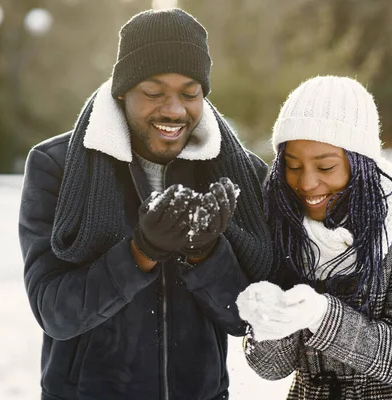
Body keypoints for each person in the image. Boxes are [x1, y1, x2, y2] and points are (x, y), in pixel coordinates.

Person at [18, 8, 273, 400]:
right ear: (123, 91)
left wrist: (206, 255)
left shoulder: (239, 174)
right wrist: (140, 253)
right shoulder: (56, 166)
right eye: (154, 93)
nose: (173, 110)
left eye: (190, 94)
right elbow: (55, 311)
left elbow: (246, 318)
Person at [236, 76, 392, 399]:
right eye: (293, 166)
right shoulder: (282, 220)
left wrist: (323, 316)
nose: (306, 183)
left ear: (360, 162)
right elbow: (272, 368)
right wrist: (268, 323)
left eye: (325, 167)